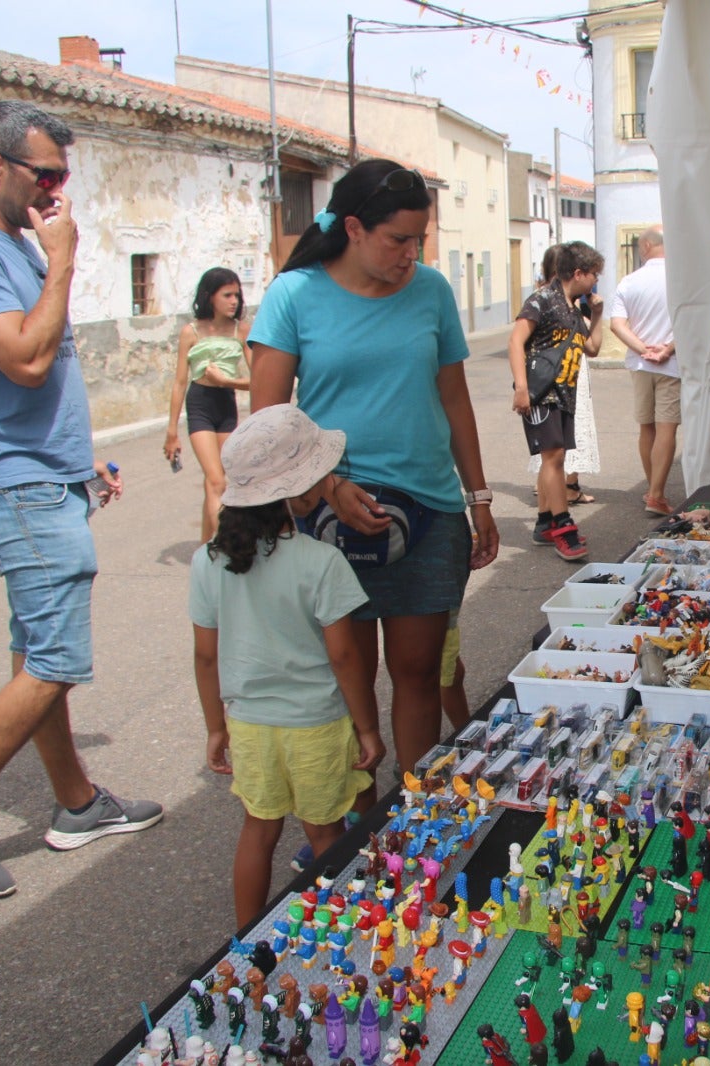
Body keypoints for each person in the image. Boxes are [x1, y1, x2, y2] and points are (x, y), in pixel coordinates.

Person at [0, 100, 161, 899]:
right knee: (56, 659)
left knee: (35, 650)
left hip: (45, 477)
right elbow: (21, 359)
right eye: (44, 172)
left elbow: (44, 369)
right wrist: (64, 263)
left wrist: (81, 462)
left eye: (63, 174)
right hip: (14, 485)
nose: (57, 190)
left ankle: (77, 803)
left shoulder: (11, 244)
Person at [247, 159, 499, 777]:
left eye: (419, 240)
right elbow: (266, 417)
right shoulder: (295, 294)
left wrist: (480, 497)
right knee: (348, 683)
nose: (410, 254)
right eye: (397, 240)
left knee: (417, 673)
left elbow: (454, 399)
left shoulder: (432, 291)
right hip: (334, 519)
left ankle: (414, 813)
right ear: (353, 228)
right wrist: (329, 486)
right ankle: (360, 829)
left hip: (430, 510)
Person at [189, 405, 383, 928]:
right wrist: (367, 728)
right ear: (297, 492)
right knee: (325, 834)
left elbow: (205, 655)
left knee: (258, 829)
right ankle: (339, 934)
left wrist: (214, 727)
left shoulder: (208, 560)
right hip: (316, 724)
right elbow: (345, 657)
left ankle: (244, 938)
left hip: (250, 725)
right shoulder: (321, 563)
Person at [511, 241, 606, 561]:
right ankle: (564, 528)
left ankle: (543, 523)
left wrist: (597, 313)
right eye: (595, 275)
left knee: (555, 458)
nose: (596, 281)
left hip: (564, 392)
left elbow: (592, 348)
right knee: (553, 458)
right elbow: (516, 341)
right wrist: (521, 388)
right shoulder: (543, 300)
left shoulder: (572, 306)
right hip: (542, 393)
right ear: (578, 273)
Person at [164, 267, 251, 543]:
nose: (234, 301)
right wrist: (171, 431)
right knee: (216, 481)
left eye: (237, 295)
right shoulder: (191, 332)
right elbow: (179, 383)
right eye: (227, 295)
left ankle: (204, 546)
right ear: (210, 297)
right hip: (200, 403)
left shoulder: (242, 330)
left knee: (219, 481)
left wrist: (227, 381)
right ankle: (227, 549)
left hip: (226, 405)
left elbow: (259, 378)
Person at [610, 225, 680, 516]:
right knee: (667, 427)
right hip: (672, 364)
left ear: (648, 245)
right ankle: (656, 494)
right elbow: (691, 321)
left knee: (646, 427)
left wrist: (642, 349)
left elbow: (617, 324)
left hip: (640, 364)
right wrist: (667, 348)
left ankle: (653, 490)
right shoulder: (681, 280)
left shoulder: (629, 281)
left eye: (641, 246)